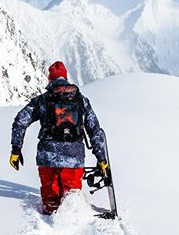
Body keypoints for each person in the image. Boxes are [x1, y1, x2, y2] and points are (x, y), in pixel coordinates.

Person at [10, 61, 109, 214]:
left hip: (47, 159)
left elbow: (20, 121)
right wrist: (101, 158)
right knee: (72, 202)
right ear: (65, 77)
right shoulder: (81, 99)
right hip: (73, 158)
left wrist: (16, 149)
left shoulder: (42, 100)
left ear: (50, 79)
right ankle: (74, 227)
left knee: (51, 205)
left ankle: (51, 226)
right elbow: (94, 129)